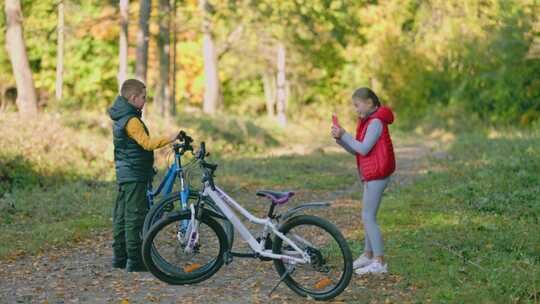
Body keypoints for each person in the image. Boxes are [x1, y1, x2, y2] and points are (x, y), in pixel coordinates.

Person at [107, 79, 179, 272]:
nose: (145, 101)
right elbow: (146, 143)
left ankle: (120, 258)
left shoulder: (122, 116)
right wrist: (170, 138)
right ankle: (135, 260)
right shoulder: (131, 121)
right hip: (134, 173)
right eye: (143, 98)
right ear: (133, 97)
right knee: (135, 216)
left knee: (122, 215)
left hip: (126, 172)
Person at [331, 87, 396, 275]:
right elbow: (356, 149)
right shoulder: (368, 121)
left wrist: (344, 134)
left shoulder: (375, 122)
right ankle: (368, 255)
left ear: (369, 103)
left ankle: (379, 261)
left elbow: (364, 149)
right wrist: (341, 139)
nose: (355, 109)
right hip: (372, 173)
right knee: (368, 215)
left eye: (357, 105)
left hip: (378, 173)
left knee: (368, 217)